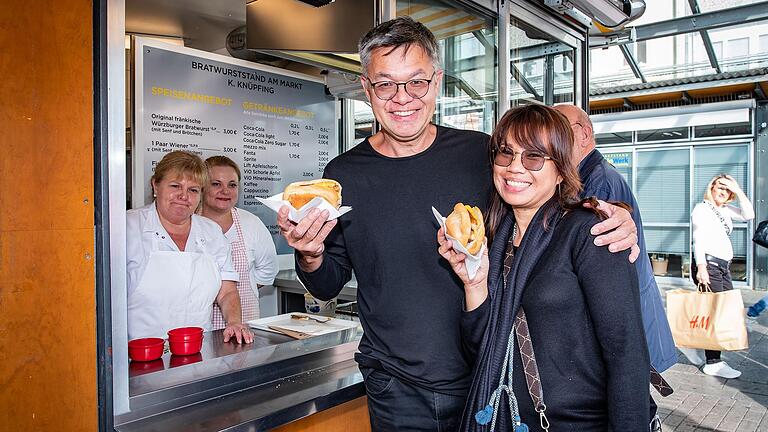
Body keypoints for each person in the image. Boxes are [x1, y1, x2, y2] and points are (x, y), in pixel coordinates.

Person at [276, 17, 639, 430]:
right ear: (366, 88)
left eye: (416, 82)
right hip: (397, 385)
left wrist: (608, 211)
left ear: (436, 81)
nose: (402, 98)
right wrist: (309, 253)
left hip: (491, 375)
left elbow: (540, 204)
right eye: (386, 84)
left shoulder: (481, 155)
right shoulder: (345, 175)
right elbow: (326, 283)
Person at [440, 105, 650, 431]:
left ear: (561, 171)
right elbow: (478, 350)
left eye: (534, 157)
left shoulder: (589, 232)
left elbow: (627, 353)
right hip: (503, 419)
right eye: (505, 153)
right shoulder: (495, 239)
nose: (515, 167)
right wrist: (475, 284)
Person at [555, 104, 677, 430]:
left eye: (558, 126)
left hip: (613, 317)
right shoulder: (588, 176)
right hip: (620, 318)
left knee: (622, 389)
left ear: (582, 133)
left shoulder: (599, 183)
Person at [126, 150, 253, 343]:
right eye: (175, 186)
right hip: (139, 354)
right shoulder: (127, 227)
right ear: (155, 185)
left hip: (199, 350)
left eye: (193, 190)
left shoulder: (211, 232)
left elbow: (227, 290)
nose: (183, 196)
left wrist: (234, 322)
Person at [690, 174, 754, 378]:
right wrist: (701, 267)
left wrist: (738, 189)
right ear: (711, 188)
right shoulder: (702, 208)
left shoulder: (725, 210)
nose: (722, 191)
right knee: (715, 314)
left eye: (727, 189)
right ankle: (713, 362)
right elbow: (698, 238)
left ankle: (707, 354)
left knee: (724, 312)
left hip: (722, 267)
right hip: (708, 265)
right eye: (719, 187)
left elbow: (749, 215)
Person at [201, 156, 279, 326]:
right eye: (216, 184)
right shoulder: (188, 223)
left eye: (232, 185)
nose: (225, 190)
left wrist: (243, 288)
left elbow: (268, 271)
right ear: (201, 186)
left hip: (244, 325)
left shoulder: (250, 223)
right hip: (200, 329)